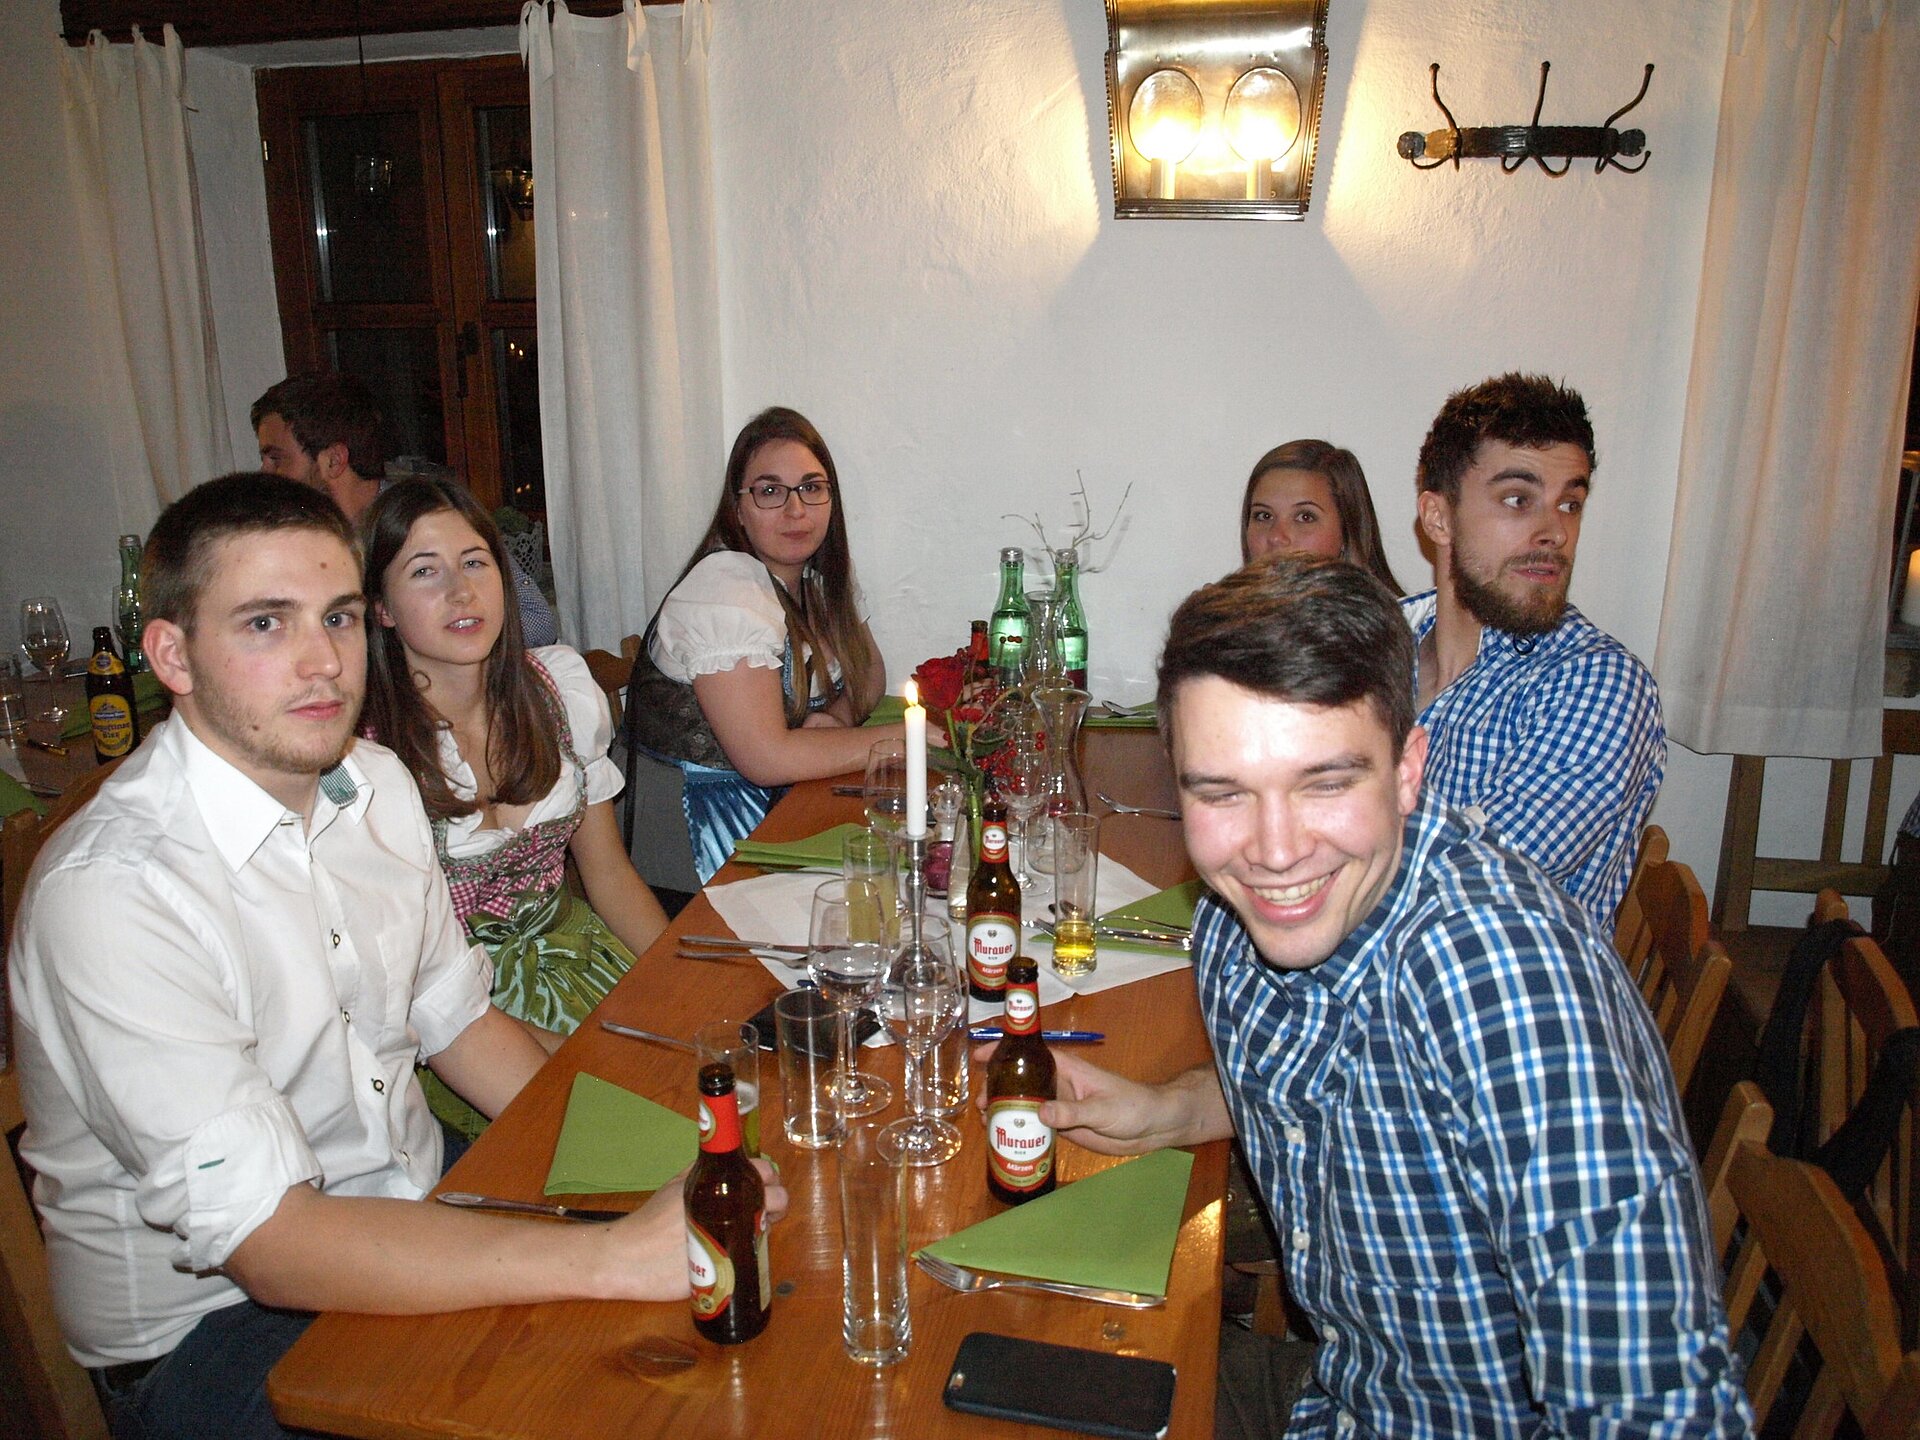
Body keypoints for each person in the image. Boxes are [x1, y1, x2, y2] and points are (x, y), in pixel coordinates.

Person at [7, 474, 784, 1440]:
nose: (322, 662)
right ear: (171, 654)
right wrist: (612, 1256)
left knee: (721, 1325)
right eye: (265, 624)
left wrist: (662, 1146)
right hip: (217, 1329)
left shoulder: (372, 784)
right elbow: (270, 1244)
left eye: (335, 617)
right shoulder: (117, 892)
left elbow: (460, 1024)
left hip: (415, 1191)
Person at [1025, 555, 1746, 1437]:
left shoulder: (1505, 995)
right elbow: (1318, 1085)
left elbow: (1663, 1415)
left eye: (1326, 782)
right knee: (1001, 1361)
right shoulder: (1234, 921)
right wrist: (1168, 1112)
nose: (1275, 851)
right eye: (1224, 793)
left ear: (1408, 770)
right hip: (1344, 1390)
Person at [359, 477, 670, 1123]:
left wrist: (683, 986)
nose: (461, 591)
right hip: (464, 1025)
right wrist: (594, 1057)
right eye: (424, 571)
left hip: (585, 960)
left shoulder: (555, 692)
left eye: (475, 562)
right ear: (381, 608)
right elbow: (418, 994)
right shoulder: (368, 764)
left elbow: (610, 876)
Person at [1404, 373, 1664, 924]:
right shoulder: (1374, 640)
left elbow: (1465, 885)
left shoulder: (1598, 685)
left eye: (1570, 503)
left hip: (1489, 975)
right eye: (1518, 499)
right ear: (1438, 517)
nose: (1555, 532)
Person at [624, 406, 907, 880]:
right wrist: (901, 740)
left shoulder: (813, 583)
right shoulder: (726, 590)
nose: (796, 510)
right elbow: (765, 758)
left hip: (784, 807)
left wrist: (837, 719)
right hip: (702, 841)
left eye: (811, 488)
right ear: (737, 509)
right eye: (770, 491)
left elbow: (869, 671)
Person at [251, 372, 560, 648]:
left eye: (276, 459)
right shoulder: (293, 542)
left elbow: (536, 621)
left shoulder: (429, 518)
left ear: (334, 460)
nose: (264, 473)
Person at [1239, 438, 1402, 595]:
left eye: (1305, 517)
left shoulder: (1397, 614)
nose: (1277, 537)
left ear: (1347, 532)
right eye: (1264, 516)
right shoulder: (1229, 612)